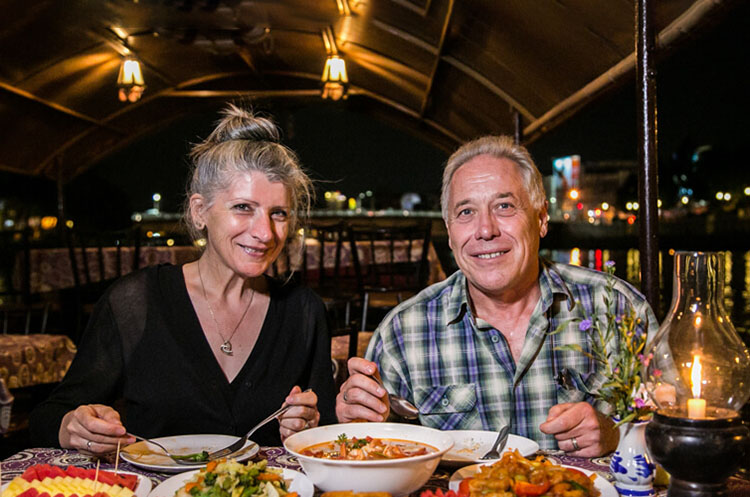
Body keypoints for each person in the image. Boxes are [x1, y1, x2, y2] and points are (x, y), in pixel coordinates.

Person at [30, 104, 337, 454]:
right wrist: (72, 425)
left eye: (278, 213)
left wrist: (310, 427)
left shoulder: (304, 311)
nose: (265, 232)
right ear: (199, 211)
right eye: (243, 208)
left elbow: (326, 429)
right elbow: (47, 416)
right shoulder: (135, 304)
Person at [336, 136, 658, 457]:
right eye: (465, 212)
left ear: (542, 218)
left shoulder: (619, 309)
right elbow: (372, 454)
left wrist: (618, 435)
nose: (485, 230)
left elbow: (682, 435)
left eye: (504, 206)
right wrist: (358, 421)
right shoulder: (402, 335)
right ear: (449, 232)